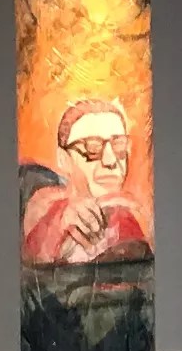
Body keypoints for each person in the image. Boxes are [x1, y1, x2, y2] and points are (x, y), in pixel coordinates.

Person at [22, 99, 147, 264]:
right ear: (64, 159)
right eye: (92, 148)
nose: (110, 161)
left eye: (119, 145)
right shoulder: (49, 218)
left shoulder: (127, 222)